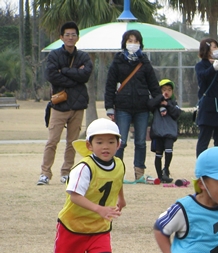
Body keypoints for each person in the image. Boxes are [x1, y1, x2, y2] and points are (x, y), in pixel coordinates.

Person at [33, 118, 126, 253]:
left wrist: (121, 198)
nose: (106, 147)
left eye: (111, 142)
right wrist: (100, 209)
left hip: (99, 230)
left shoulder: (119, 163)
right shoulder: (84, 167)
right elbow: (75, 196)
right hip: (73, 227)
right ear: (89, 145)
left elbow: (117, 179)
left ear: (118, 145)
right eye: (100, 142)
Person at [38, 21, 93, 186]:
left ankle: (66, 172)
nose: (70, 37)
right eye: (67, 34)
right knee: (52, 140)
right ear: (61, 37)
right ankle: (45, 173)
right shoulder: (54, 55)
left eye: (73, 34)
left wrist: (65, 71)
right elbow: (51, 75)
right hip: (60, 104)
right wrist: (75, 77)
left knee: (72, 142)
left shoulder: (83, 56)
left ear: (77, 37)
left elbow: (86, 75)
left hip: (78, 106)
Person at [105, 29, 161, 180]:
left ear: (140, 43)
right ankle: (116, 171)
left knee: (141, 142)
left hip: (142, 107)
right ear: (124, 43)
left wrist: (160, 103)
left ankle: (139, 173)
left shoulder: (144, 62)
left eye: (136, 41)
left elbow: (153, 85)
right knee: (121, 142)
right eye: (130, 41)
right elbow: (110, 85)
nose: (133, 44)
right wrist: (109, 106)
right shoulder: (117, 61)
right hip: (123, 106)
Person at [195, 38, 218, 156]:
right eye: (214, 47)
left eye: (217, 47)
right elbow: (203, 76)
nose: (216, 50)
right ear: (206, 49)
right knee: (204, 140)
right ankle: (201, 167)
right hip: (208, 108)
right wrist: (213, 69)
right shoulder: (200, 65)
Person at [148, 79, 181, 183]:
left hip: (169, 133)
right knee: (158, 154)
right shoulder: (155, 103)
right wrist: (160, 99)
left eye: (169, 90)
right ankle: (160, 176)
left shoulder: (173, 103)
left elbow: (176, 114)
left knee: (169, 150)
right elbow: (149, 105)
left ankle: (166, 170)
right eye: (164, 89)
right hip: (158, 133)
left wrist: (167, 104)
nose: (167, 92)